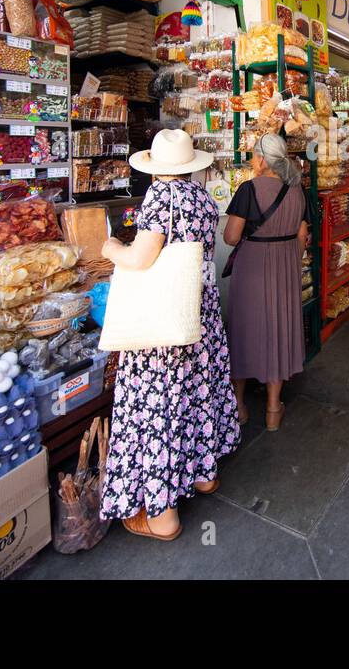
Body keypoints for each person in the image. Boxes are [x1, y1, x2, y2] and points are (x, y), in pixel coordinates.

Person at [98, 130, 241, 541]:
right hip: (199, 312)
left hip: (165, 323)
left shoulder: (162, 198)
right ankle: (203, 474)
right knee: (197, 392)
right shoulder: (200, 198)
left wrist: (110, 248)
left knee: (159, 404)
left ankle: (163, 517)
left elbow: (141, 258)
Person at [222, 133, 309, 432]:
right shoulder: (296, 189)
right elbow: (302, 235)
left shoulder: (248, 189)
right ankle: (273, 408)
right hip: (285, 267)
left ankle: (239, 406)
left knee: (245, 328)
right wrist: (287, 258)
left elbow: (231, 237)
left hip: (253, 268)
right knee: (279, 329)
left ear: (261, 159)